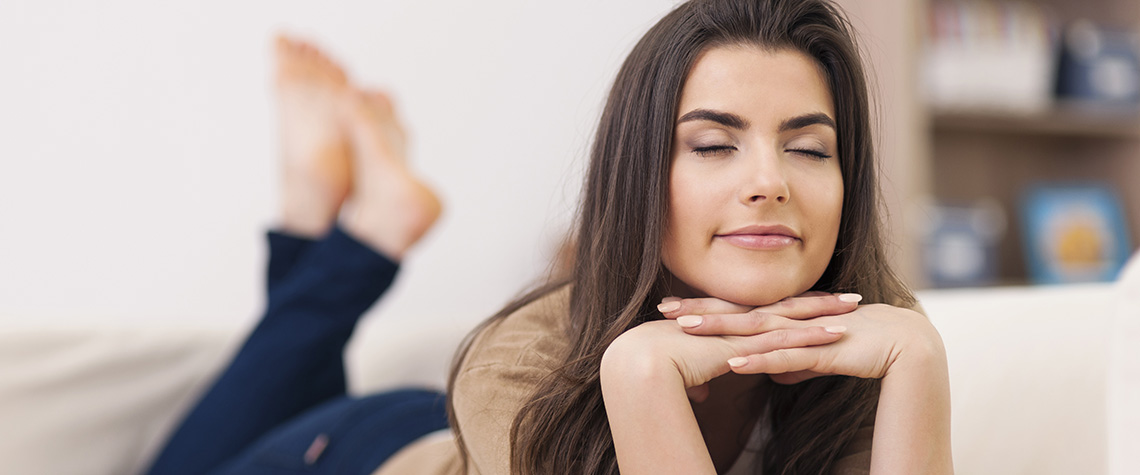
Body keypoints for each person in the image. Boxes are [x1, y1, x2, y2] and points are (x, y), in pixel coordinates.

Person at [150, 0, 953, 474]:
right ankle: (350, 232)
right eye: (713, 143)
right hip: (365, 452)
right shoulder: (517, 362)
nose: (770, 180)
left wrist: (919, 360)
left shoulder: (875, 341)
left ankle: (328, 221)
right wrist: (641, 375)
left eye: (810, 147)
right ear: (637, 177)